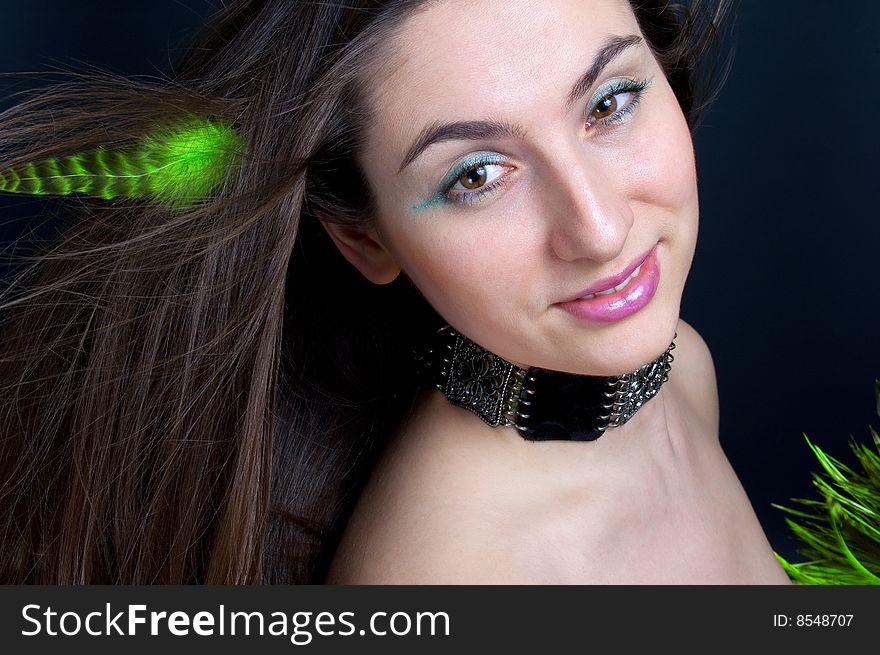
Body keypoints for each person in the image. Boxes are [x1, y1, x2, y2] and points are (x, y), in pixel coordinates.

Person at [0, 0, 792, 584]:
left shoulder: (682, 369)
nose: (597, 227)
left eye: (609, 103)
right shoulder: (450, 575)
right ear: (365, 237)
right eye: (476, 175)